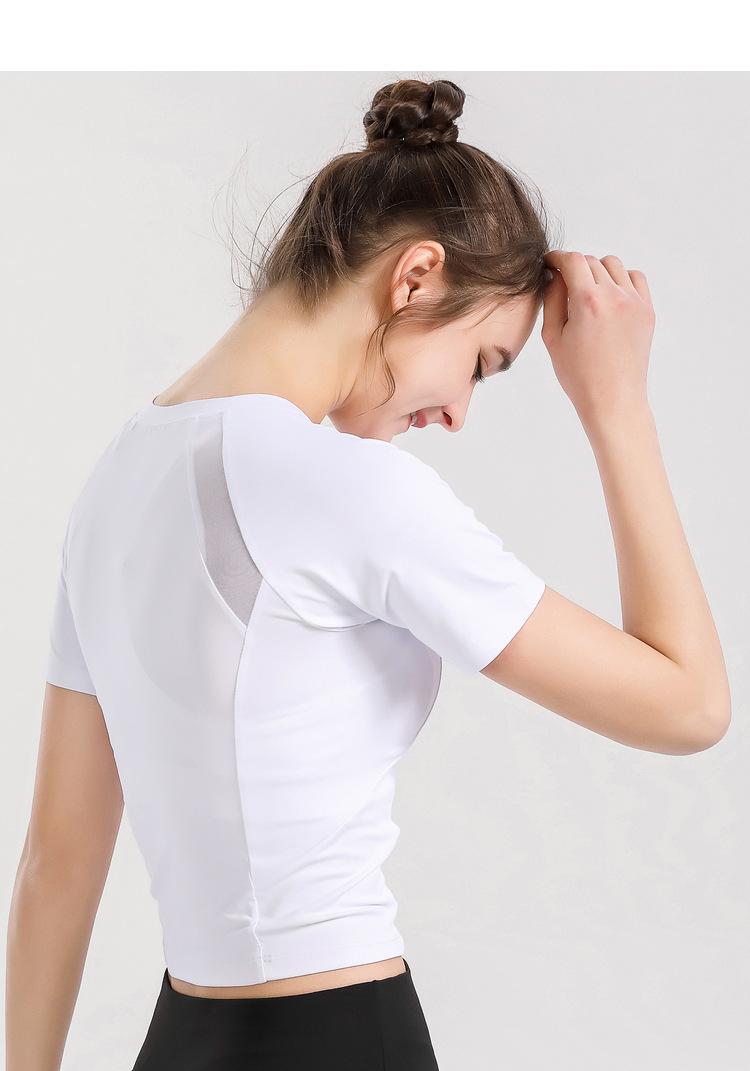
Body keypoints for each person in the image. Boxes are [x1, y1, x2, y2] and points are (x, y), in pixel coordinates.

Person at [6, 77, 731, 1071]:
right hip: (338, 1036)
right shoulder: (344, 486)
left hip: (180, 1041)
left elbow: (55, 860)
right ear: (416, 276)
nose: (459, 413)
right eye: (482, 361)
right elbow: (689, 707)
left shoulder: (118, 479)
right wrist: (616, 406)